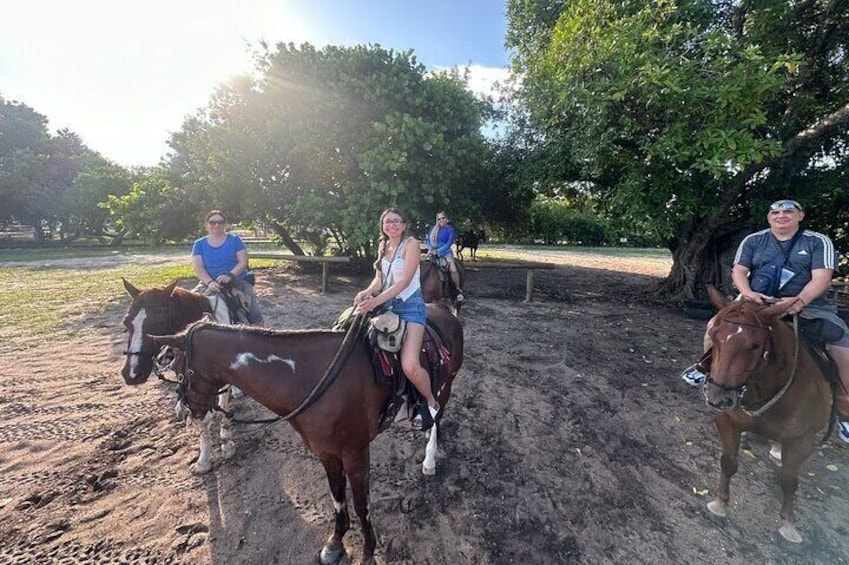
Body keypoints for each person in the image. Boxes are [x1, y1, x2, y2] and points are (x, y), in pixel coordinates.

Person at [681, 199, 849, 442]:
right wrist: (748, 294)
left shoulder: (817, 241)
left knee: (840, 343)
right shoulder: (754, 240)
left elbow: (821, 278)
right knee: (714, 327)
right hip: (756, 302)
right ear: (769, 217)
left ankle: (845, 407)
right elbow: (739, 271)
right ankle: (706, 368)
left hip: (809, 305)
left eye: (788, 212)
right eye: (776, 212)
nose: (781, 216)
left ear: (800, 215)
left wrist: (800, 301)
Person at [354, 208, 440, 430]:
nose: (391, 225)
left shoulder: (411, 244)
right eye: (387, 221)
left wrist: (374, 302)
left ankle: (430, 401)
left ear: (403, 225)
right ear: (382, 226)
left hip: (411, 308)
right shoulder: (383, 246)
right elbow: (379, 278)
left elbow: (404, 282)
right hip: (387, 304)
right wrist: (367, 292)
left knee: (410, 364)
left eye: (395, 221)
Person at [191, 209, 263, 325]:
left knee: (254, 313)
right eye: (212, 222)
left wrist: (230, 275)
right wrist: (210, 282)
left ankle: (257, 332)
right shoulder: (199, 244)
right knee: (188, 305)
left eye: (220, 222)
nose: (216, 225)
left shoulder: (235, 240)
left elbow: (243, 262)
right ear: (206, 225)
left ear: (225, 224)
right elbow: (198, 267)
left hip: (236, 280)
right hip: (208, 282)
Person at [425, 210, 464, 300]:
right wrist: (431, 249)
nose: (441, 220)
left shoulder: (450, 230)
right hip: (431, 251)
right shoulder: (432, 229)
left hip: (445, 253)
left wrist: (438, 251)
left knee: (453, 270)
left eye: (443, 218)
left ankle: (457, 290)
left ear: (447, 219)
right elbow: (427, 241)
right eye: (439, 219)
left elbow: (448, 244)